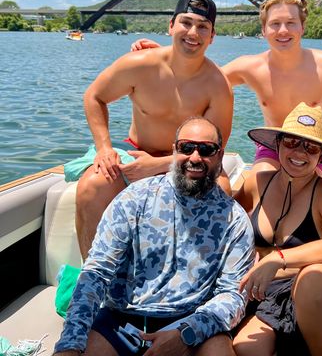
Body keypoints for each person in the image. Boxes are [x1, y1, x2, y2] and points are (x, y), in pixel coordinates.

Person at [132, 0, 322, 177]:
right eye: (274, 24)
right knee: (258, 186)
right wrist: (163, 53)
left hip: (316, 145)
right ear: (263, 30)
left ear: (302, 27)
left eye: (290, 23)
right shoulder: (250, 67)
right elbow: (199, 77)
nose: (283, 31)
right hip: (272, 144)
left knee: (305, 191)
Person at [53, 117, 255, 356]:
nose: (195, 157)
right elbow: (96, 273)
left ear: (220, 156)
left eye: (206, 149)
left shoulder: (235, 220)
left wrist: (187, 333)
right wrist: (70, 344)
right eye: (186, 147)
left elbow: (233, 293)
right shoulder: (134, 199)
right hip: (121, 321)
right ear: (174, 151)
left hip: (191, 322)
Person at [70, 0, 233, 259]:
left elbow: (214, 149)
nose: (193, 32)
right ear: (171, 26)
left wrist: (158, 165)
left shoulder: (218, 86)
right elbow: (94, 97)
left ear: (212, 36)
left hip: (192, 158)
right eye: (186, 22)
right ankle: (94, 280)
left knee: (222, 191)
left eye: (203, 27)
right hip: (135, 149)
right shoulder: (138, 65)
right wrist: (104, 148)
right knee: (91, 187)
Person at [232, 103, 322, 356]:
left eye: (311, 147)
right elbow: (221, 216)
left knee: (315, 276)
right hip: (265, 292)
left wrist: (278, 259)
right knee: (246, 349)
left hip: (317, 292)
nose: (300, 152)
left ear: (321, 155)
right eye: (291, 142)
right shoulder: (257, 182)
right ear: (277, 144)